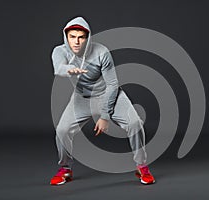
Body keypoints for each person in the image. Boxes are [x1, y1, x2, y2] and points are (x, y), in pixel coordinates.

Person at [50, 16, 155, 185]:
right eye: (72, 36)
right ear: (66, 37)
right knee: (62, 130)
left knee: (135, 123)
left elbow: (113, 84)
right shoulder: (60, 51)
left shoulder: (101, 52)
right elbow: (59, 69)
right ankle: (65, 169)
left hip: (109, 95)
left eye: (81, 37)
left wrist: (105, 116)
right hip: (82, 98)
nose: (76, 41)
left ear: (87, 37)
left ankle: (142, 166)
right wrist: (70, 69)